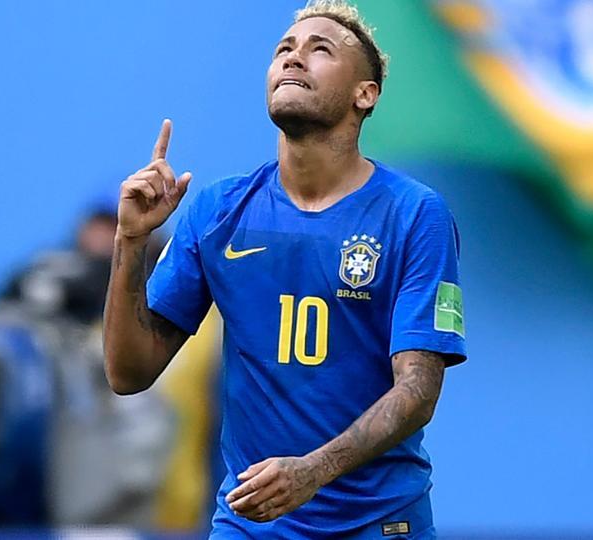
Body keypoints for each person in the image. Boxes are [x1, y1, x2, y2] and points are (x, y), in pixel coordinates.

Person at [103, 1, 467, 537]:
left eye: (320, 49)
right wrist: (131, 240)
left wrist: (313, 471)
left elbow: (416, 394)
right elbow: (128, 373)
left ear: (365, 95)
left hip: (379, 521)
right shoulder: (219, 210)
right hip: (252, 523)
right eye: (284, 51)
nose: (294, 59)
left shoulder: (414, 213)